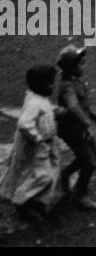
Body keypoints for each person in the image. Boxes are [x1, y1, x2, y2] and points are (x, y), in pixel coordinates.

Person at [0, 65, 63, 220]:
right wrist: (37, 138)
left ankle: (37, 200)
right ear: (39, 85)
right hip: (36, 145)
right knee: (43, 175)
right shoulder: (35, 102)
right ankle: (21, 200)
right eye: (50, 83)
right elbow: (24, 123)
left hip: (45, 143)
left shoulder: (39, 99)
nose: (53, 86)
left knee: (50, 169)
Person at [54, 46, 96, 210]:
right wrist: (86, 122)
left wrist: (90, 112)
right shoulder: (68, 86)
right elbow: (73, 107)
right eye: (80, 64)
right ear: (71, 67)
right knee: (89, 161)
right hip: (73, 130)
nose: (83, 66)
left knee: (94, 155)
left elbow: (81, 103)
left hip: (79, 127)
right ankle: (81, 194)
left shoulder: (75, 81)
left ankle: (66, 174)